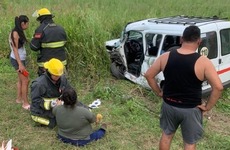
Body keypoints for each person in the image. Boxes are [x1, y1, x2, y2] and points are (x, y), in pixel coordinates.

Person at [144, 26, 223, 150]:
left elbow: (149, 75)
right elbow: (218, 87)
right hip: (191, 109)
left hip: (169, 105)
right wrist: (207, 107)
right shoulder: (203, 62)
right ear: (199, 41)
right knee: (189, 143)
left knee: (166, 136)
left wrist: (159, 92)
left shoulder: (166, 56)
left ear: (181, 39)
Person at [30, 58, 71, 128]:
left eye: (59, 76)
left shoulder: (62, 78)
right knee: (55, 123)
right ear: (48, 72)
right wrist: (52, 104)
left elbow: (69, 91)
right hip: (41, 111)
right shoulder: (39, 84)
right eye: (55, 75)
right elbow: (36, 102)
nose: (58, 77)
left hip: (57, 107)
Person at [30, 8, 67, 76]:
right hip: (61, 64)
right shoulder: (61, 28)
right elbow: (64, 43)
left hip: (47, 65)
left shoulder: (41, 29)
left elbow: (34, 47)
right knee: (61, 84)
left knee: (46, 85)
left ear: (41, 19)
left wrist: (33, 38)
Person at [9, 15, 30, 110]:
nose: (28, 25)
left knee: (21, 80)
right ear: (23, 23)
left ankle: (19, 99)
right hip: (18, 60)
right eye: (27, 23)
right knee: (26, 80)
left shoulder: (19, 31)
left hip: (20, 59)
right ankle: (25, 103)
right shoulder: (15, 33)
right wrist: (20, 64)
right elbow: (15, 49)